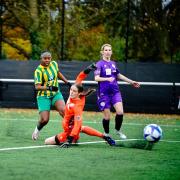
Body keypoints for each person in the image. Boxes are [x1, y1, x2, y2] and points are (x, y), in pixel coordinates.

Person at [44, 64, 116, 147]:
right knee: (82, 128)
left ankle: (73, 139)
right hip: (70, 128)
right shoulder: (76, 89)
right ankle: (105, 137)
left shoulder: (77, 106)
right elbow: (80, 77)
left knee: (47, 141)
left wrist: (69, 140)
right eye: (71, 90)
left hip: (69, 132)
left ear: (79, 93)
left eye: (74, 91)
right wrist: (88, 69)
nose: (71, 92)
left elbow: (78, 124)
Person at [94, 44, 140, 140]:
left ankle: (117, 130)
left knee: (120, 112)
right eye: (106, 50)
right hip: (104, 94)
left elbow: (118, 75)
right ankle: (106, 133)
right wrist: (107, 79)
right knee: (107, 117)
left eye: (109, 50)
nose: (108, 52)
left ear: (111, 52)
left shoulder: (113, 63)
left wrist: (131, 82)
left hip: (115, 92)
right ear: (102, 52)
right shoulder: (99, 64)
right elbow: (96, 78)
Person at [32, 51, 71, 140]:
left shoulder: (54, 64)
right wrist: (49, 88)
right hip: (43, 96)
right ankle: (37, 130)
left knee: (64, 112)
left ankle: (70, 133)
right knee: (45, 120)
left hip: (56, 94)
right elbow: (37, 87)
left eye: (49, 58)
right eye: (45, 58)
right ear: (41, 59)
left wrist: (67, 82)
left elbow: (58, 73)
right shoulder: (38, 71)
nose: (47, 60)